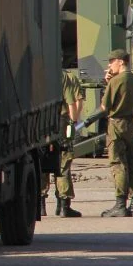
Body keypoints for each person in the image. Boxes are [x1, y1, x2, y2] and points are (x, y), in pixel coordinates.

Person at [99, 49, 133, 217]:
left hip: (116, 124)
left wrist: (107, 83)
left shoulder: (116, 81)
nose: (109, 65)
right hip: (130, 123)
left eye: (111, 62)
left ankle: (120, 204)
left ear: (120, 61)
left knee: (118, 164)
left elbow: (105, 106)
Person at [45, 67, 85, 217]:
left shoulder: (38, 72)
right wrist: (73, 122)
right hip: (61, 122)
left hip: (40, 122)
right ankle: (63, 205)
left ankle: (41, 205)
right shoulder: (62, 76)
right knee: (63, 163)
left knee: (43, 160)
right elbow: (71, 102)